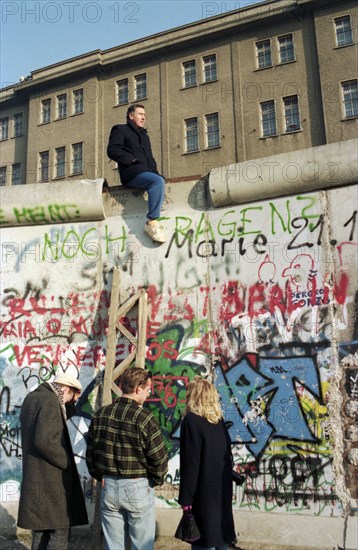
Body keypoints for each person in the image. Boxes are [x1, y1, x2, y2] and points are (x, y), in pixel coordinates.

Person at [86, 367, 168, 550]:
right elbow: (159, 459)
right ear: (138, 389)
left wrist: (101, 477)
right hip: (137, 486)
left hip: (108, 485)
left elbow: (90, 454)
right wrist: (154, 480)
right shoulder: (144, 417)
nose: (148, 393)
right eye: (147, 389)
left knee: (113, 546)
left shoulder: (100, 414)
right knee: (141, 545)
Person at [17, 372, 88, 549]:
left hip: (36, 477)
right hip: (51, 480)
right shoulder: (50, 401)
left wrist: (71, 402)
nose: (70, 400)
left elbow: (57, 421)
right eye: (71, 395)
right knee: (58, 533)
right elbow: (44, 441)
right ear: (65, 389)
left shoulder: (32, 398)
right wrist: (66, 462)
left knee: (40, 533)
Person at [178, 377, 236, 550]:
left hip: (202, 493)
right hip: (221, 490)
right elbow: (228, 456)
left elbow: (191, 464)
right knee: (220, 540)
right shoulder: (218, 422)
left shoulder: (191, 421)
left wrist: (186, 499)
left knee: (204, 542)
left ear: (193, 397)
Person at [107, 104, 166, 244]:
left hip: (146, 172)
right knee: (157, 182)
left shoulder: (144, 135)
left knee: (159, 180)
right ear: (131, 116)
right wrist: (131, 160)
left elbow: (149, 158)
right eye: (140, 114)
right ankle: (151, 223)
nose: (143, 117)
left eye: (144, 114)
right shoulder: (120, 129)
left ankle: (156, 183)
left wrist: (156, 174)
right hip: (131, 173)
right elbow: (112, 150)